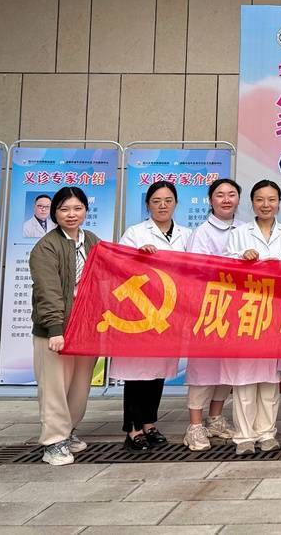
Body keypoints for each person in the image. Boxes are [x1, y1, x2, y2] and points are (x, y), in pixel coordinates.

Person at [111, 181, 186, 452]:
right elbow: (118, 266)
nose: (162, 206)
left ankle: (150, 423)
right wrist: (138, 257)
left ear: (175, 203)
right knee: (136, 372)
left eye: (168, 200)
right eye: (156, 201)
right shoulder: (135, 233)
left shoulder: (186, 235)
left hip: (169, 313)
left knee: (158, 371)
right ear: (147, 205)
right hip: (140, 312)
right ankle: (132, 429)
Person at [30, 186, 100, 466]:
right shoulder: (46, 247)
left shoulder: (92, 240)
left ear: (85, 210)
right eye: (64, 209)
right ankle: (53, 442)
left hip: (86, 327)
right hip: (56, 329)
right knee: (55, 386)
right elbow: (47, 292)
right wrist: (55, 330)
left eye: (77, 208)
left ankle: (68, 431)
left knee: (80, 384)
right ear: (55, 213)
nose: (72, 214)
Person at [223, 180, 281, 455]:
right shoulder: (239, 234)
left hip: (276, 312)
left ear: (279, 203)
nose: (266, 205)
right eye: (260, 200)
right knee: (245, 377)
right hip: (246, 312)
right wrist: (242, 258)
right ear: (251, 204)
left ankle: (267, 433)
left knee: (270, 377)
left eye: (271, 199)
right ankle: (244, 436)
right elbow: (224, 267)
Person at [183, 177, 241, 451]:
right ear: (210, 200)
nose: (226, 199)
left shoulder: (245, 228)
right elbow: (196, 271)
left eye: (231, 194)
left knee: (227, 367)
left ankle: (215, 418)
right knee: (203, 368)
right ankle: (195, 426)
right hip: (209, 308)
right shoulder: (202, 233)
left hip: (238, 309)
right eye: (220, 195)